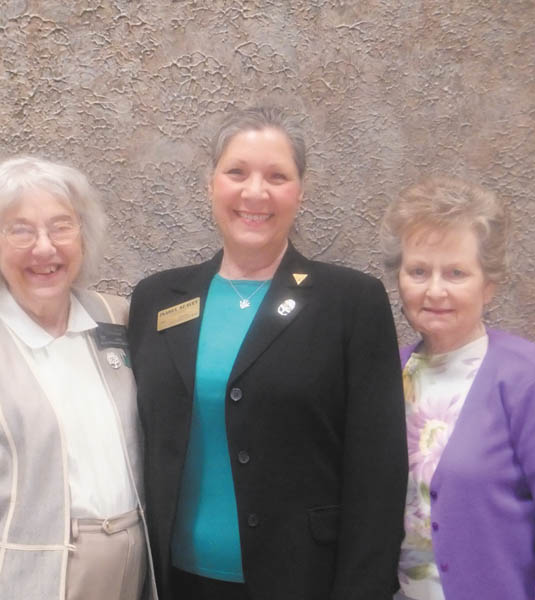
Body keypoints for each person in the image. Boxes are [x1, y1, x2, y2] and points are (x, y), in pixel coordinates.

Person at [127, 106, 407, 600]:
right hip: (176, 583)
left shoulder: (349, 302)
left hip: (304, 582)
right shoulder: (157, 300)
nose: (255, 192)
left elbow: (378, 475)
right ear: (211, 184)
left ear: (300, 191)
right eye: (237, 172)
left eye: (277, 176)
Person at [0, 156, 155, 600]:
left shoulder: (118, 319)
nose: (44, 248)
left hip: (132, 577)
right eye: (21, 230)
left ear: (83, 238)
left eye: (61, 226)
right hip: (27, 583)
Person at [380, 176, 535, 600]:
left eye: (456, 273)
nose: (435, 290)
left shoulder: (527, 379)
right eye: (419, 271)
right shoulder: (388, 376)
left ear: (489, 285)